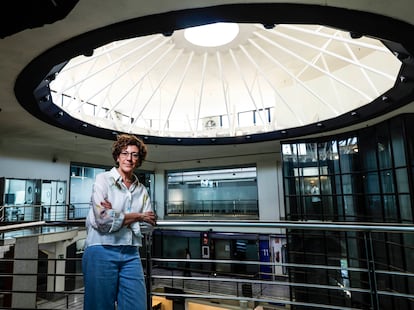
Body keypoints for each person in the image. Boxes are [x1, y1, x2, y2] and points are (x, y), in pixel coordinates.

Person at [82, 134, 157, 310]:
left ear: (139, 160)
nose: (129, 158)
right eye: (125, 153)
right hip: (101, 249)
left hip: (131, 253)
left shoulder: (141, 189)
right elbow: (103, 220)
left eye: (134, 154)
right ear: (118, 157)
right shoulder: (103, 179)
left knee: (137, 305)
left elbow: (148, 227)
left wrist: (116, 214)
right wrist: (138, 216)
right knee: (99, 306)